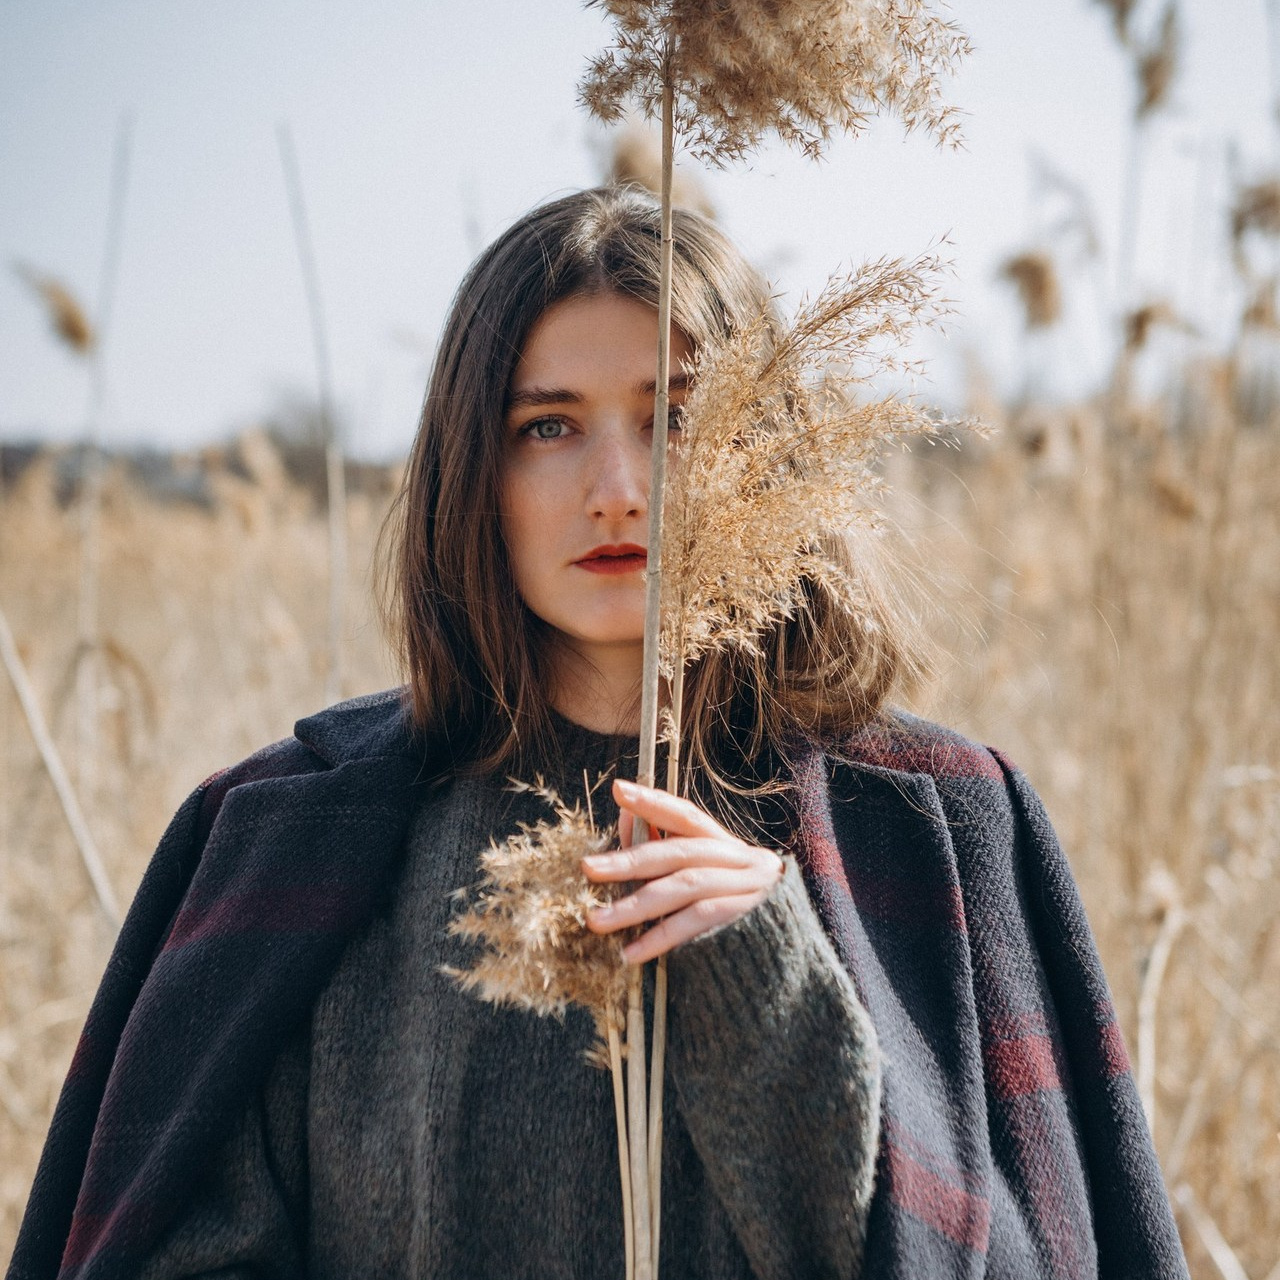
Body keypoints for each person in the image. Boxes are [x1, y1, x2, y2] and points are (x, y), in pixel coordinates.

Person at [9, 188, 1188, 1280]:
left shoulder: (933, 820)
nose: (618, 485)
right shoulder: (283, 833)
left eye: (674, 417)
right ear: (471, 470)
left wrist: (770, 985)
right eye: (546, 426)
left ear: (766, 453)